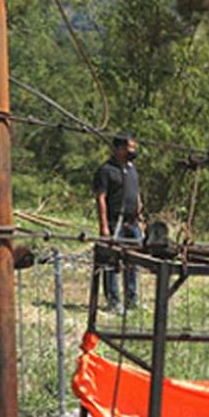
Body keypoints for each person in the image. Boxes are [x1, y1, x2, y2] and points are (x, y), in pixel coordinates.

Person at [93, 132, 143, 310]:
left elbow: (136, 192)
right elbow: (101, 198)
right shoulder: (106, 170)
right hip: (115, 222)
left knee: (133, 261)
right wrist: (104, 226)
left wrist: (139, 211)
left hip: (132, 223)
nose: (133, 151)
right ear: (119, 149)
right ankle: (113, 301)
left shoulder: (132, 168)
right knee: (111, 262)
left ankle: (132, 299)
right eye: (130, 148)